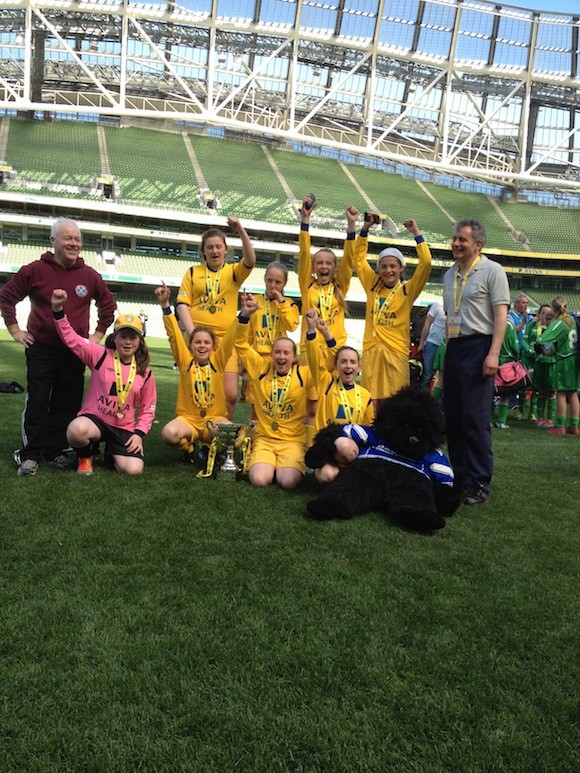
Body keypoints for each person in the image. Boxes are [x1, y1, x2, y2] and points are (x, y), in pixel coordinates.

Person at [0, 218, 116, 476]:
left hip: (74, 353)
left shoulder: (90, 276)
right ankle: (29, 453)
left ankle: (56, 451)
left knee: (67, 402)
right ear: (53, 241)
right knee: (38, 401)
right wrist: (15, 330)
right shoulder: (35, 270)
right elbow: (7, 296)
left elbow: (108, 307)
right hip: (41, 349)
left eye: (77, 239)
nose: (74, 243)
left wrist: (96, 336)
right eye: (67, 238)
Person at [51, 290, 156, 476]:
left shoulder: (144, 372)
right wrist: (58, 311)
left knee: (133, 470)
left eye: (133, 337)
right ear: (114, 337)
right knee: (76, 430)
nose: (127, 342)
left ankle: (111, 453)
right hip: (96, 420)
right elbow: (72, 339)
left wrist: (138, 435)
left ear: (140, 341)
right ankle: (85, 456)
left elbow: (148, 407)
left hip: (124, 427)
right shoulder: (100, 355)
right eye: (123, 336)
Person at [442, 219, 510, 506]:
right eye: (455, 238)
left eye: (463, 240)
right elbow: (449, 314)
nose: (456, 243)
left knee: (476, 418)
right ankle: (461, 478)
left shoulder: (492, 271)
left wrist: (493, 353)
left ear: (478, 244)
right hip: (455, 347)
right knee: (453, 417)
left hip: (480, 345)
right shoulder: (448, 275)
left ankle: (481, 482)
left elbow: (500, 315)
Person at [175, 217, 256, 419]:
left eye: (218, 247)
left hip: (225, 341)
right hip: (199, 341)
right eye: (210, 247)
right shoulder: (193, 272)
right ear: (203, 251)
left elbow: (250, 261)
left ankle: (218, 439)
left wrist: (240, 230)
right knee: (196, 392)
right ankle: (197, 434)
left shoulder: (233, 272)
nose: (214, 251)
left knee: (230, 394)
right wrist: (193, 333)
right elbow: (182, 304)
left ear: (225, 250)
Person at [235, 292, 315, 490]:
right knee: (259, 480)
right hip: (265, 439)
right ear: (271, 355)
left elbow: (318, 361)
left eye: (286, 353)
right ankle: (268, 462)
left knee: (287, 482)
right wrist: (244, 315)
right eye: (277, 352)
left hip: (293, 441)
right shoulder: (261, 368)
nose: (281, 357)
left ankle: (290, 463)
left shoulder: (303, 374)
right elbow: (241, 344)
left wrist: (312, 331)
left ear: (294, 358)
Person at [354, 213, 432, 409]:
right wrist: (364, 230)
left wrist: (416, 234)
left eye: (392, 266)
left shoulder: (408, 290)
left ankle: (392, 438)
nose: (388, 270)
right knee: (370, 400)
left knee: (395, 402)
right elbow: (358, 260)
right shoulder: (372, 285)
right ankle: (371, 436)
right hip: (372, 350)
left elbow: (426, 264)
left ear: (401, 269)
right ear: (379, 268)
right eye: (384, 266)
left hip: (395, 352)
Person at [298, 200, 357, 442]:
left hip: (335, 351)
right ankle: (310, 450)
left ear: (334, 268)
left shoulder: (340, 286)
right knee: (311, 406)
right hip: (310, 350)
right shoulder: (306, 285)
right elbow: (303, 253)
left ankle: (333, 443)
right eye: (319, 262)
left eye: (328, 263)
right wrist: (305, 222)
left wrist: (351, 226)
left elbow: (350, 259)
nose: (323, 266)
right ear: (313, 267)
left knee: (332, 400)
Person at [154, 282, 234, 462]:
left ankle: (210, 449)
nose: (202, 346)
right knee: (169, 434)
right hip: (188, 421)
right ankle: (189, 450)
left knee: (233, 436)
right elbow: (174, 335)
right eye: (198, 342)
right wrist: (166, 306)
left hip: (213, 420)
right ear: (190, 345)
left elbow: (230, 339)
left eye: (206, 342)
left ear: (213, 346)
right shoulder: (185, 362)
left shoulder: (218, 362)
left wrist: (243, 315)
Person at [304, 308, 374, 483]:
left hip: (351, 449)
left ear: (358, 368)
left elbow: (369, 429)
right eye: (343, 362)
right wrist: (314, 331)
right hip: (329, 446)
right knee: (326, 475)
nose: (347, 366)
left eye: (352, 362)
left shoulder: (365, 395)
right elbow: (315, 360)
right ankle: (343, 478)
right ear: (336, 367)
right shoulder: (326, 384)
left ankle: (353, 475)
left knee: (344, 445)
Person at [245, 261, 300, 413]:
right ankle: (252, 437)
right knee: (256, 408)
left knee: (277, 405)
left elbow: (292, 325)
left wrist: (281, 302)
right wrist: (243, 362)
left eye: (278, 282)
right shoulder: (255, 301)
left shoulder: (290, 303)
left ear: (285, 283)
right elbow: (247, 334)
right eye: (270, 280)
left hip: (280, 361)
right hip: (258, 359)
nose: (273, 286)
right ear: (264, 279)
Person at [536, 295, 579, 436]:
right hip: (575, 360)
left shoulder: (559, 323)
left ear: (554, 309)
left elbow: (543, 340)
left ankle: (560, 426)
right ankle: (574, 426)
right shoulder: (572, 319)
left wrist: (542, 347)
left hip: (564, 360)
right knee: (573, 393)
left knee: (561, 393)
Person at [521, 304, 551, 422]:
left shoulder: (550, 329)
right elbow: (524, 339)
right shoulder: (532, 325)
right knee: (524, 386)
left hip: (539, 361)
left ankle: (532, 413)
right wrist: (529, 350)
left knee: (536, 387)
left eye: (548, 314)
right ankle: (521, 411)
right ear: (539, 314)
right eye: (543, 313)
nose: (545, 316)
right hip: (528, 359)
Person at [492, 317, 519, 429]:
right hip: (506, 363)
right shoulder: (509, 325)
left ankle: (489, 420)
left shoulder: (491, 322)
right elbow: (515, 346)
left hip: (491, 360)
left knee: (491, 392)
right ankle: (502, 421)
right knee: (505, 392)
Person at [417, 300, 446, 389]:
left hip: (446, 345)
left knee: (443, 376)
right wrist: (422, 343)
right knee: (427, 374)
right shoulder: (437, 305)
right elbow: (427, 324)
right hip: (433, 343)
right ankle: (422, 398)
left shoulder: (457, 307)